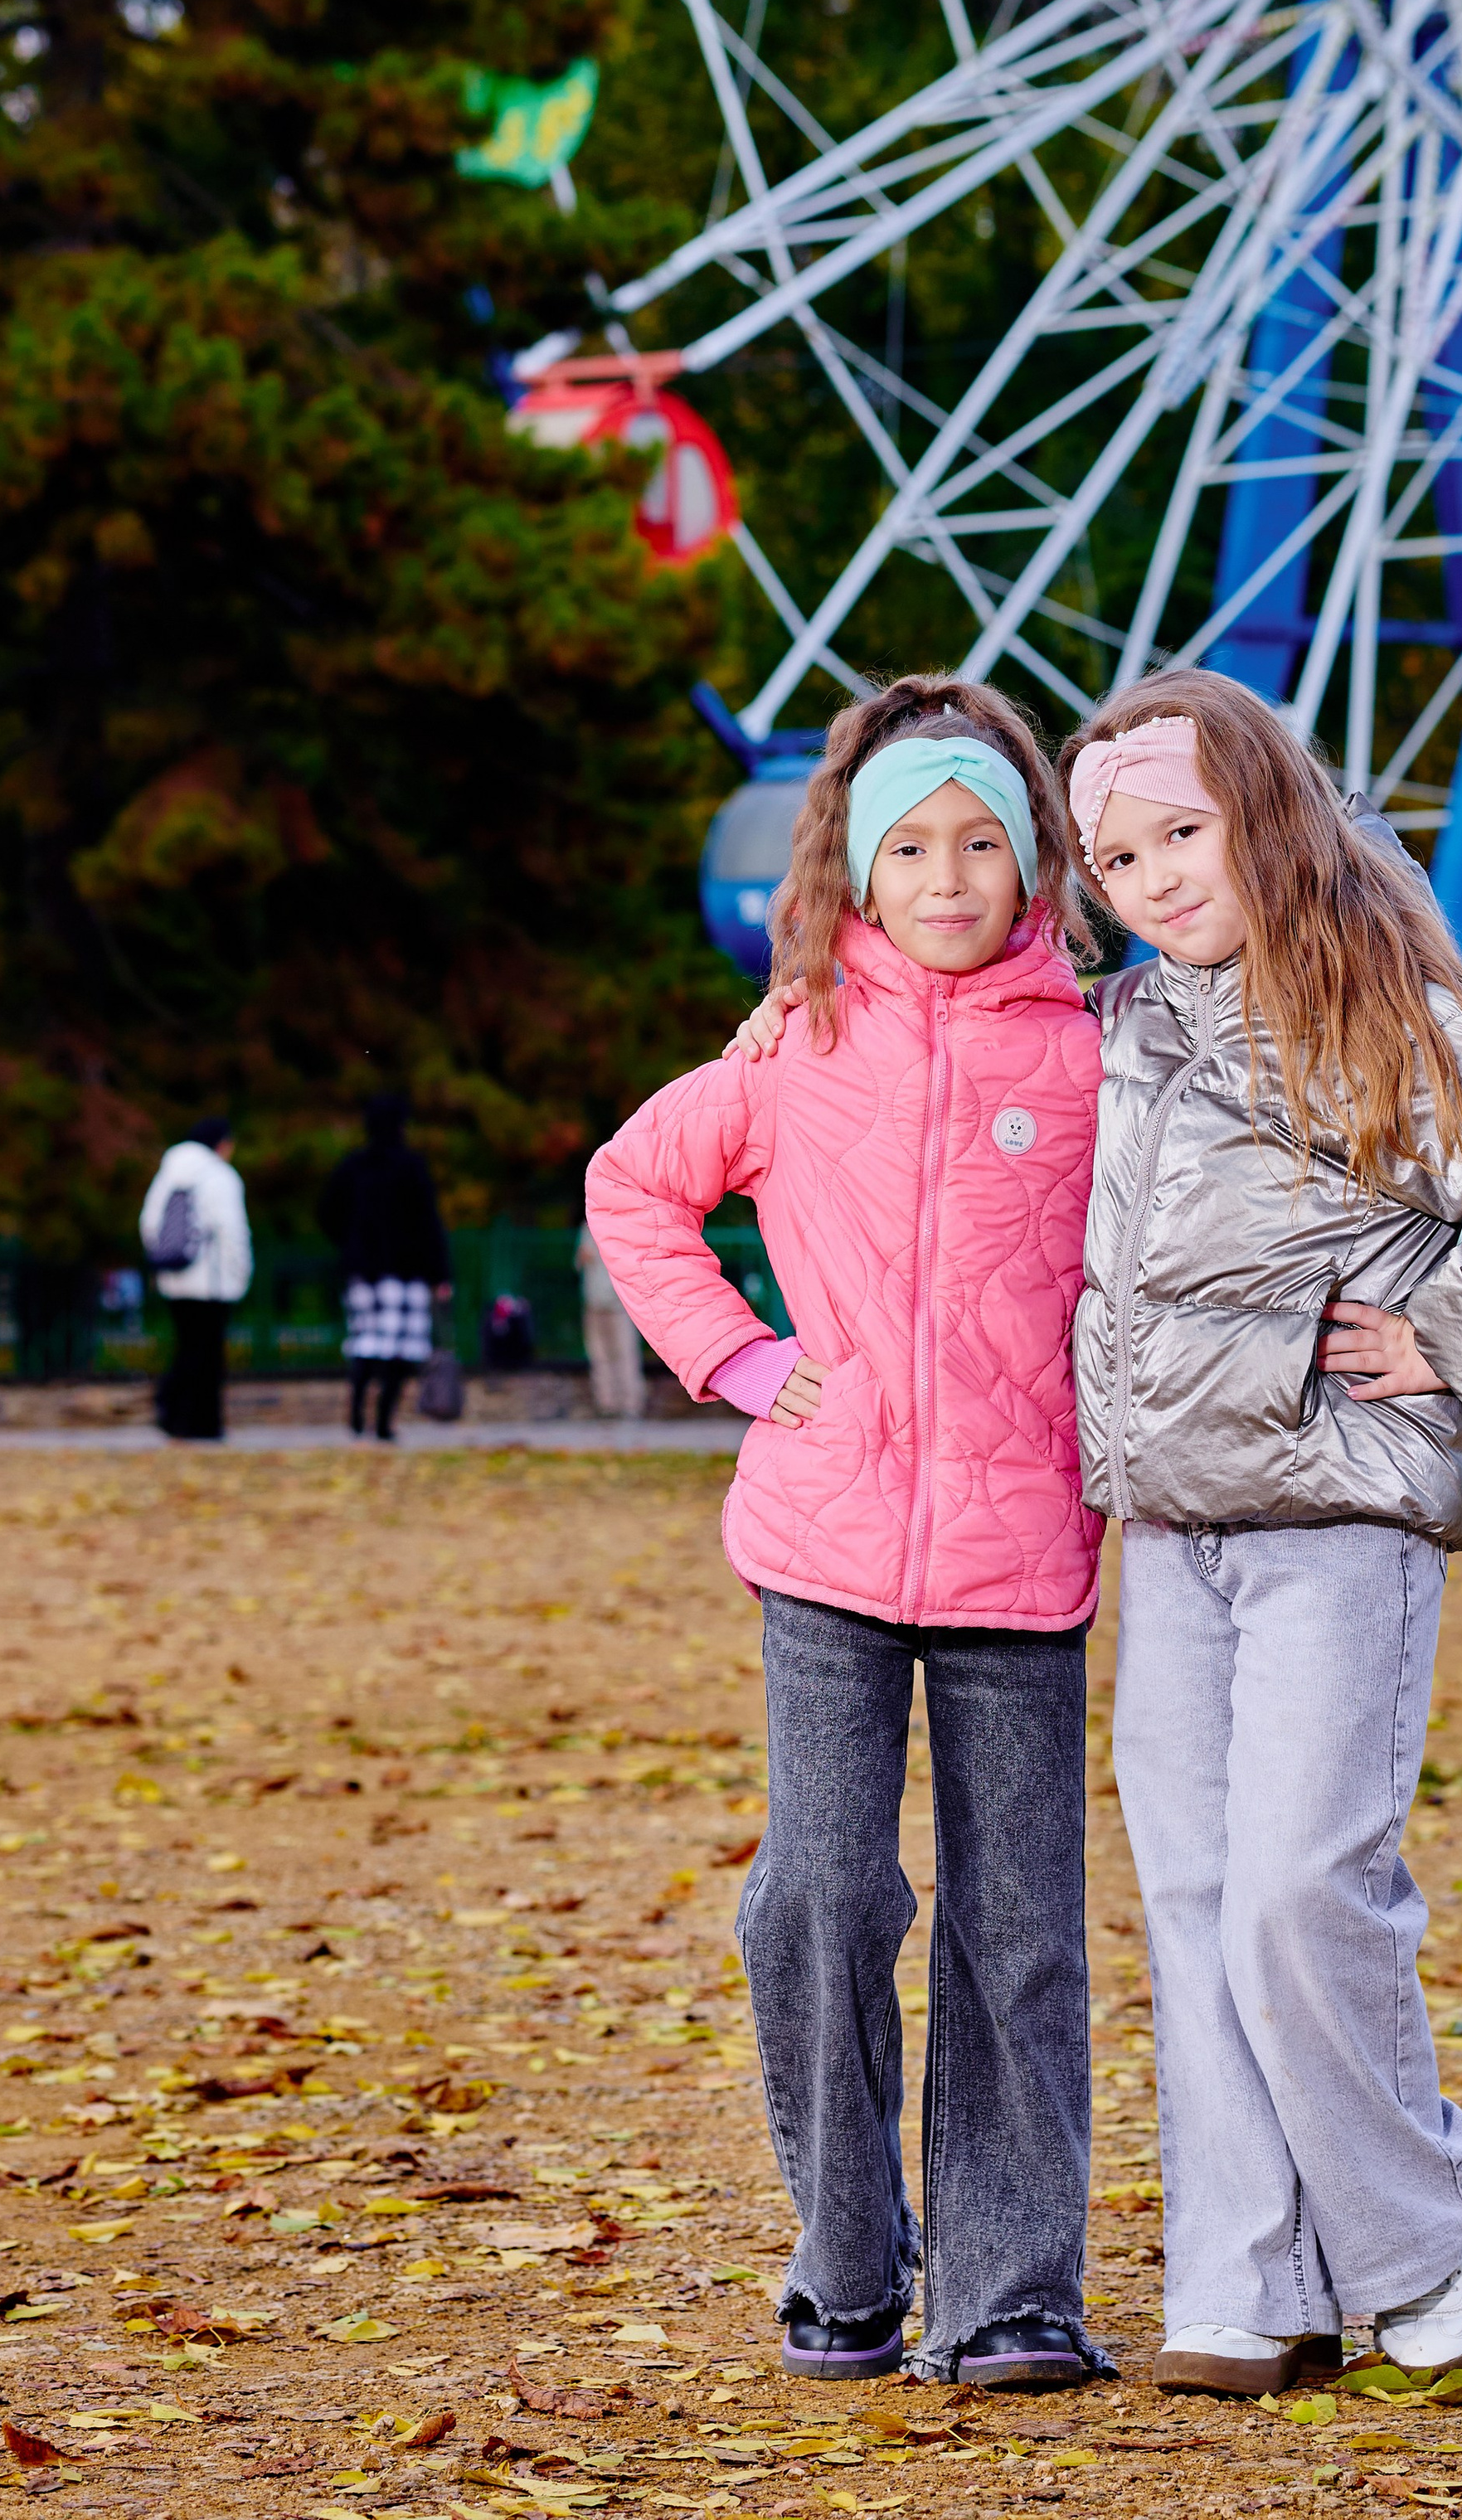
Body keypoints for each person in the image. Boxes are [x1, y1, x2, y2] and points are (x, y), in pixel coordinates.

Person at [1061, 669, 1462, 2399]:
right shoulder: (1123, 1034)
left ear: (1266, 816)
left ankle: (1412, 2245)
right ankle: (1241, 2278)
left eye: (1183, 832)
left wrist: (1451, 1346)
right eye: (1115, 857)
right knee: (1189, 1902)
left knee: (1301, 1896)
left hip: (1333, 1514)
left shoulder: (1392, 1016)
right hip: (1169, 1524)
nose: (1155, 877)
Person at [586, 676, 1109, 2396]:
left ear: (1032, 861)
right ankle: (847, 2255)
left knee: (1017, 1927)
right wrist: (740, 1356)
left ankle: (1012, 2289)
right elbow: (631, 1186)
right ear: (856, 872)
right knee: (817, 1893)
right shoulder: (791, 1045)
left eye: (980, 840)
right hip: (822, 1542)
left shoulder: (1102, 1050)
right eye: (909, 844)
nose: (947, 873)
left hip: (1023, 1555)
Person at [319, 1091, 452, 1443]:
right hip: (406, 1274)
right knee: (399, 1349)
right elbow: (428, 1224)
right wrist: (440, 1274)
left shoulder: (352, 1167)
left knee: (366, 1342)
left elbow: (326, 1213)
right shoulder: (411, 1166)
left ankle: (357, 1413)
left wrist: (349, 1245)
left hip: (361, 1274)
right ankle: (383, 1422)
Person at [139, 1116, 253, 1442]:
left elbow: (149, 1223)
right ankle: (204, 1425)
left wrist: (165, 1262)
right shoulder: (221, 1176)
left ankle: (177, 1418)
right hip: (213, 1282)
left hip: (175, 1279)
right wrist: (240, 1272)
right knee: (208, 1355)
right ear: (221, 1144)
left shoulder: (168, 1174)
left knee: (187, 1348)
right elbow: (232, 1230)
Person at [576, 1221, 645, 1418]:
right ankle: (607, 1404)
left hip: (618, 1305)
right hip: (593, 1303)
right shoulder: (587, 1228)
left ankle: (631, 1405)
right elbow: (580, 1261)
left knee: (625, 1353)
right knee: (599, 1356)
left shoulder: (621, 1227)